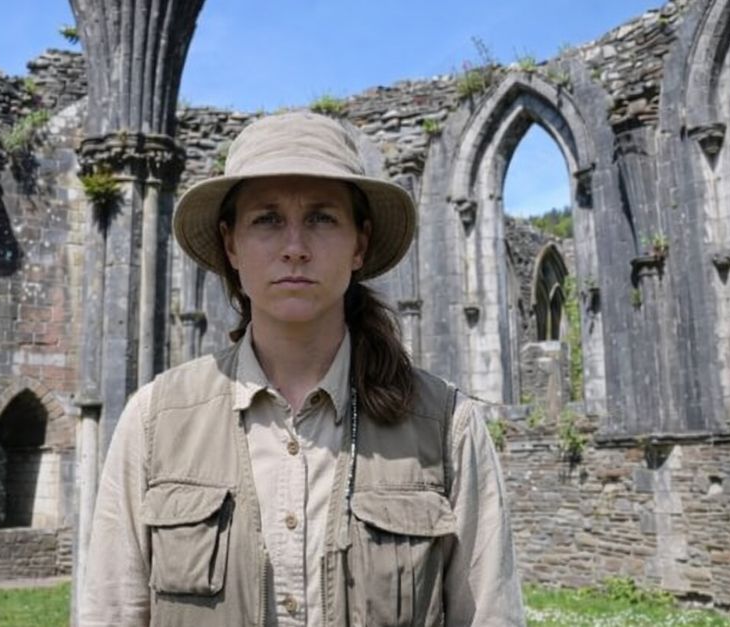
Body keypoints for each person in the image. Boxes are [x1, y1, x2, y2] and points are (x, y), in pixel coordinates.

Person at [79, 112, 525, 626]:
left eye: (321, 218)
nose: (295, 247)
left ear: (359, 244)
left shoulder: (448, 427)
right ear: (231, 245)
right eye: (267, 219)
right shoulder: (155, 421)